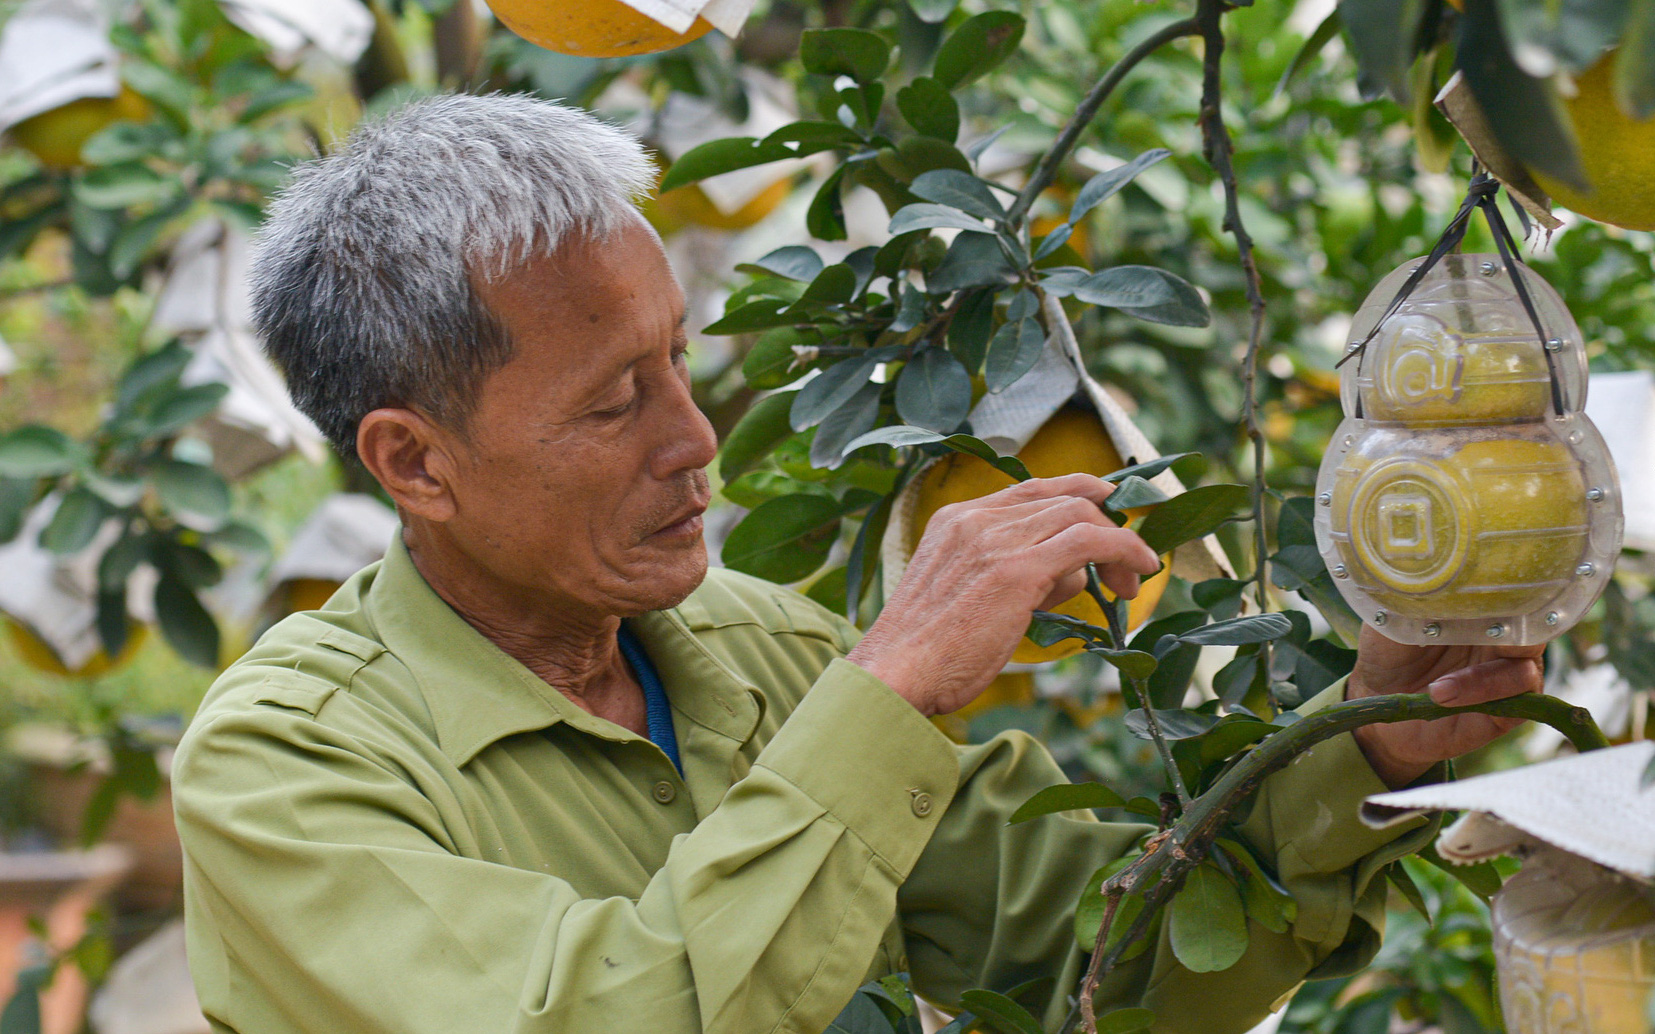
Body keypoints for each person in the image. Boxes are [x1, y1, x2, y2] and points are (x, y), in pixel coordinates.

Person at [171, 93, 1542, 1034]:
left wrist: (1369, 751)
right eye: (612, 402)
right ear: (414, 462)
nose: (694, 438)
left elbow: (1098, 970)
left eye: (678, 363)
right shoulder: (285, 767)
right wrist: (884, 691)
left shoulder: (763, 650)